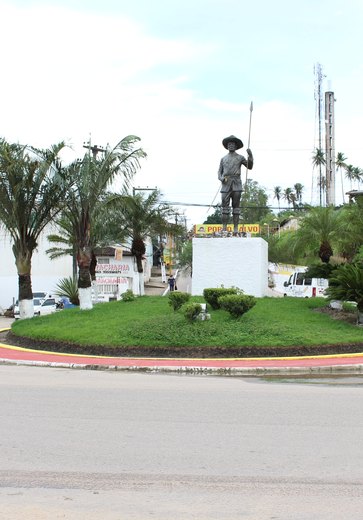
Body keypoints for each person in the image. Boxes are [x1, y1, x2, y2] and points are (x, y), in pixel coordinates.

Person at [218, 135, 253, 234]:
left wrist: (250, 156)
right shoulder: (223, 159)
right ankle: (224, 228)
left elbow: (249, 166)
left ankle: (236, 228)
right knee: (225, 207)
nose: (231, 146)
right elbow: (219, 172)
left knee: (236, 206)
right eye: (229, 144)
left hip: (236, 183)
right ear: (227, 146)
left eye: (233, 144)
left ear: (236, 146)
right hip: (226, 183)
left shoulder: (240, 157)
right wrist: (221, 178)